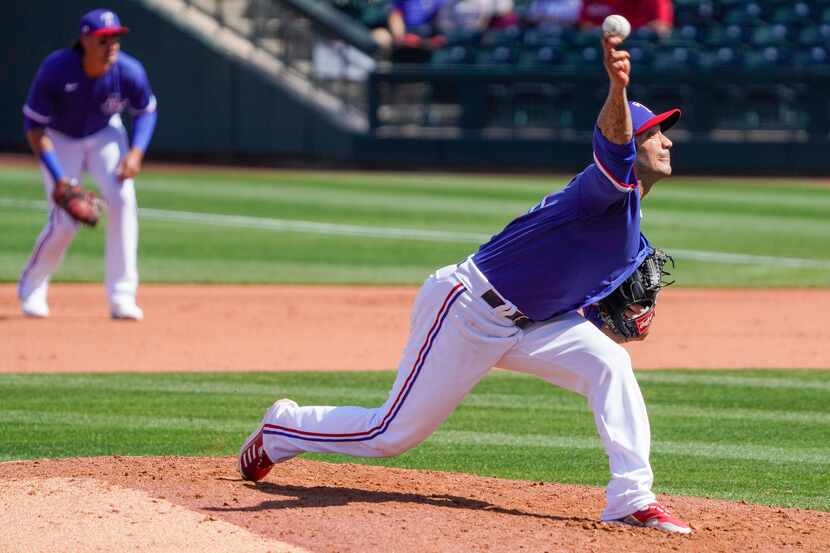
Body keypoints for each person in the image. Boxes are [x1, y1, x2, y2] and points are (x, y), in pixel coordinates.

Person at [238, 32, 691, 534]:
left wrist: (617, 322)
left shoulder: (631, 240)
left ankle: (630, 497)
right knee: (390, 434)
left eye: (664, 133)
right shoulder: (599, 189)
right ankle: (283, 428)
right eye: (654, 133)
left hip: (535, 323)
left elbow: (579, 302)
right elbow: (613, 142)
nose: (667, 140)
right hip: (468, 308)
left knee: (610, 364)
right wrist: (617, 88)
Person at [18, 8, 158, 321]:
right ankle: (33, 287)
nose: (111, 45)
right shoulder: (57, 69)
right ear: (85, 39)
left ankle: (122, 296)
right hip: (59, 137)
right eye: (103, 39)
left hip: (104, 133)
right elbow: (34, 127)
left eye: (115, 38)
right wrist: (59, 178)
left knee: (122, 201)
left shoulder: (128, 71)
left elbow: (146, 110)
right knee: (66, 220)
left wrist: (136, 152)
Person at [581, 0, 674, 38]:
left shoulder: (656, 1)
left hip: (643, 45)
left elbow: (662, 28)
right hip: (611, 45)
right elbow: (585, 26)